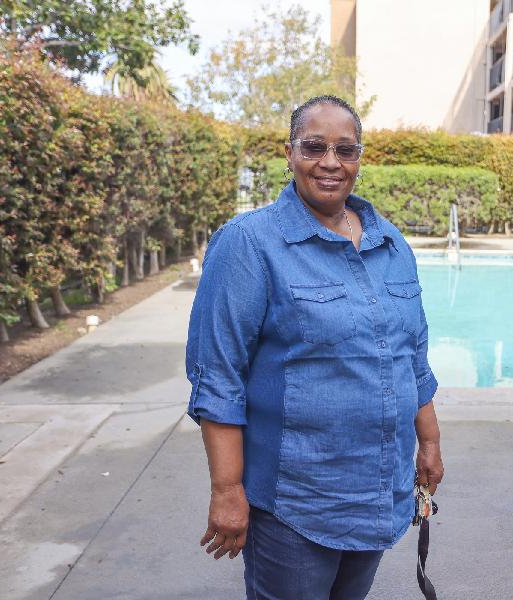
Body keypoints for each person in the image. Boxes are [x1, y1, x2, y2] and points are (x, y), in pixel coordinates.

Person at [185, 94, 444, 600]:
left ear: (359, 158)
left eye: (345, 150)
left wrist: (429, 444)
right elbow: (218, 376)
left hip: (378, 493)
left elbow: (413, 357)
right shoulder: (250, 243)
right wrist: (227, 491)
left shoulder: (389, 243)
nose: (330, 162)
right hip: (296, 504)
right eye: (314, 147)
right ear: (289, 152)